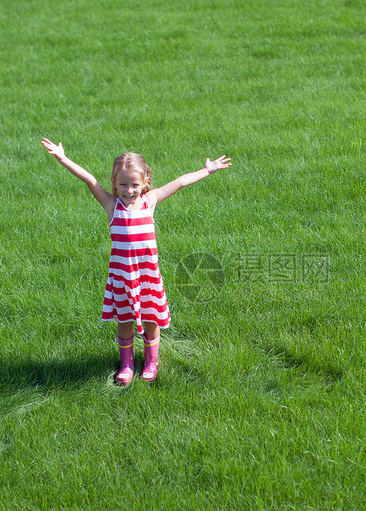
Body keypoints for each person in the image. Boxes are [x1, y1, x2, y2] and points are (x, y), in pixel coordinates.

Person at [40, 138, 232, 385]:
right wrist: (62, 158)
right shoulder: (112, 206)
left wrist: (207, 170)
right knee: (124, 323)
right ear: (114, 183)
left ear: (144, 183)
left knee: (151, 322)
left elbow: (180, 182)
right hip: (122, 278)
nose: (129, 190)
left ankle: (152, 361)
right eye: (123, 184)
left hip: (147, 277)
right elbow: (89, 179)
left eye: (134, 185)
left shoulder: (149, 202)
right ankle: (127, 364)